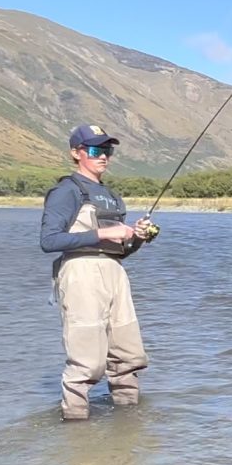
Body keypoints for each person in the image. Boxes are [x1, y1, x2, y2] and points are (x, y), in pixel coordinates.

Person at [40, 124, 158, 421]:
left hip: (114, 273)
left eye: (107, 150)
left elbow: (120, 249)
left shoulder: (111, 196)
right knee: (88, 362)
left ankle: (127, 425)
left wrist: (137, 238)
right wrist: (103, 234)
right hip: (80, 273)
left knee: (129, 357)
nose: (102, 156)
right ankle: (76, 430)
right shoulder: (66, 191)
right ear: (76, 153)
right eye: (95, 150)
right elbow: (49, 241)